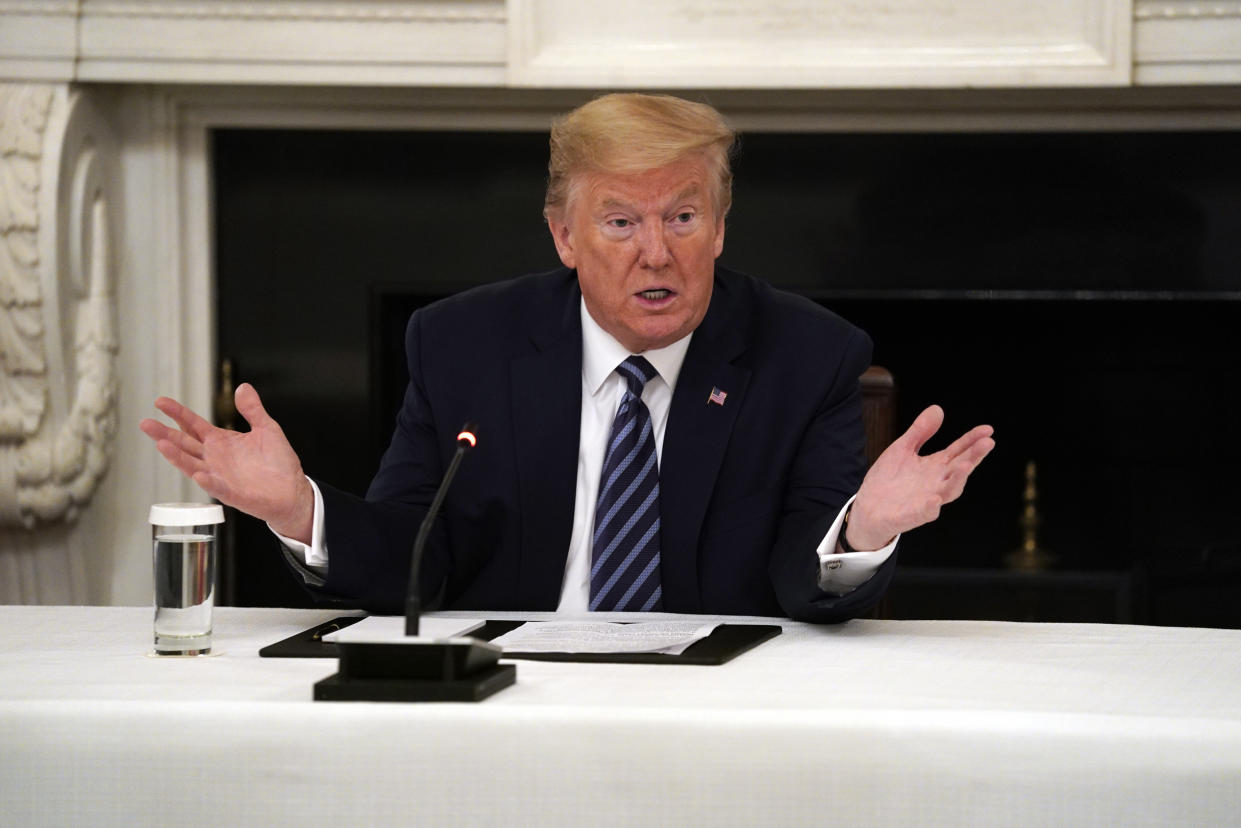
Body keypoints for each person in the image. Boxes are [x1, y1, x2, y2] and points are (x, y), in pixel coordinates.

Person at [141, 93, 994, 622]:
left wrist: (864, 528)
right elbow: (416, 556)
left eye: (684, 219)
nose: (656, 253)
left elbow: (801, 581)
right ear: (564, 237)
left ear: (721, 227)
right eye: (621, 222)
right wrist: (298, 509)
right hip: (510, 703)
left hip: (718, 717)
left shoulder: (807, 355)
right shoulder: (461, 343)